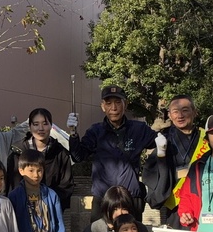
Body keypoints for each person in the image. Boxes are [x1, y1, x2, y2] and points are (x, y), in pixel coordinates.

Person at [68, 85, 160, 220]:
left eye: (118, 102)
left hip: (130, 197)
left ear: (125, 104)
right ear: (102, 106)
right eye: (108, 103)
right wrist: (73, 134)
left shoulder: (139, 129)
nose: (114, 108)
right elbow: (77, 157)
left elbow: (161, 142)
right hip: (103, 198)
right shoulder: (95, 131)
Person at [153, 95, 208, 227]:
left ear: (195, 112)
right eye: (175, 112)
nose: (180, 115)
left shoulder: (207, 138)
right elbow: (154, 172)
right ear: (169, 115)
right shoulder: (163, 139)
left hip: (204, 199)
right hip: (175, 204)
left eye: (185, 110)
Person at [6, 108, 74, 211]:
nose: (40, 128)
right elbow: (12, 185)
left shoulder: (61, 153)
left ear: (51, 126)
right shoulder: (17, 152)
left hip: (51, 211)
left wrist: (50, 203)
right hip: (22, 211)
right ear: (30, 127)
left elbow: (66, 186)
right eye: (36, 124)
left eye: (45, 124)